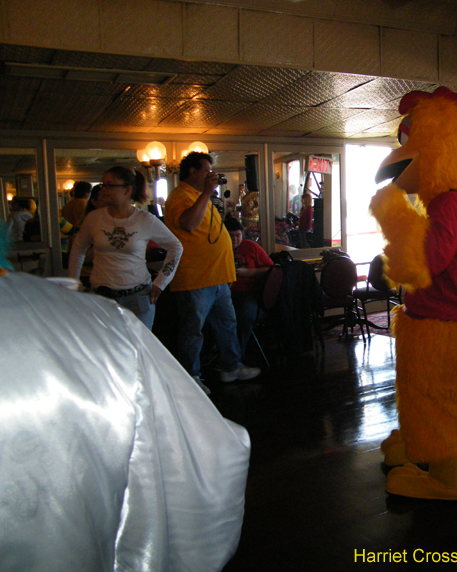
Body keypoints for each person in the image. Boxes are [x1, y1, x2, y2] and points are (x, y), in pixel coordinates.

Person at [0, 243, 250, 572]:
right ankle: (193, 373)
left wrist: (158, 283)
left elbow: (174, 245)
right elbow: (203, 464)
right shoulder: (99, 326)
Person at [164, 151, 261, 394]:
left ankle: (231, 366)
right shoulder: (179, 196)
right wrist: (207, 193)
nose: (211, 175)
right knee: (192, 330)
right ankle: (191, 376)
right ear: (192, 172)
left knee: (227, 324)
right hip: (195, 278)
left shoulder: (200, 197)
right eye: (206, 170)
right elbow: (188, 224)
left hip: (217, 277)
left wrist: (227, 274)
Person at [68, 166, 183, 330]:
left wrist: (161, 282)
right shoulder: (94, 218)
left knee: (140, 350)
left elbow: (175, 246)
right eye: (103, 185)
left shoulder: (145, 220)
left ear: (127, 190)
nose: (104, 190)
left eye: (110, 185)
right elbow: (78, 250)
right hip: (102, 298)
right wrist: (74, 282)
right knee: (108, 350)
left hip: (138, 298)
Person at [224, 217, 275, 356]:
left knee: (244, 317)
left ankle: (237, 356)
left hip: (249, 292)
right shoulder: (219, 248)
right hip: (224, 293)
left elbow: (271, 269)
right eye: (231, 236)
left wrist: (250, 272)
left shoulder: (251, 247)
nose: (235, 239)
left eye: (238, 236)